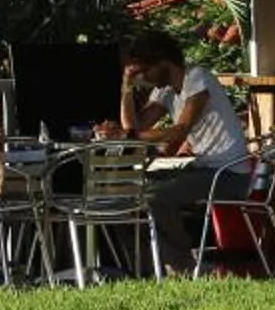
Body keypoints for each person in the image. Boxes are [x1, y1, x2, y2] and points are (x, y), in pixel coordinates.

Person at [104, 28, 250, 234]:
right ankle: (144, 259)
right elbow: (133, 128)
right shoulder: (165, 90)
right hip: (203, 169)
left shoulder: (197, 78)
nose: (144, 77)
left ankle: (179, 264)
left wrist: (128, 136)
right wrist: (126, 84)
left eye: (145, 70)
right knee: (130, 186)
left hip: (228, 174)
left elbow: (180, 130)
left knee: (157, 197)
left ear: (163, 62)